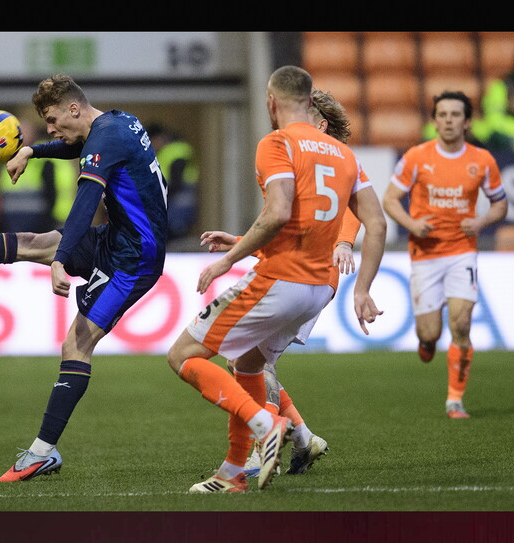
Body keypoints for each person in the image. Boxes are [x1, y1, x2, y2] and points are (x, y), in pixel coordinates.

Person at [0, 74, 168, 481]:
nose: (50, 127)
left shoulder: (106, 138)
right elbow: (74, 145)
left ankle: (43, 451)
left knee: (76, 344)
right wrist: (32, 150)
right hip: (119, 239)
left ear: (74, 108)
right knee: (30, 242)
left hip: (135, 260)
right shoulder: (117, 122)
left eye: (52, 118)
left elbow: (84, 205)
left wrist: (61, 260)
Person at [166, 66, 386, 493]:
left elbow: (279, 211)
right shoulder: (345, 155)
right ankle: (234, 474)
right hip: (318, 289)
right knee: (247, 361)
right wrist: (362, 290)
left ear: (271, 101)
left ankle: (265, 423)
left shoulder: (276, 142)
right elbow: (376, 224)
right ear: (309, 101)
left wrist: (228, 258)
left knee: (183, 355)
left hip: (281, 279)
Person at [381, 90, 508, 419]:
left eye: (455, 115)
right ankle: (426, 344)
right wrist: (411, 223)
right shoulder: (416, 157)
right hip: (424, 254)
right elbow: (390, 199)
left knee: (462, 323)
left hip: (462, 252)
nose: (449, 120)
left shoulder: (482, 161)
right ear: (434, 120)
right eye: (443, 114)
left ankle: (455, 400)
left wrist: (481, 221)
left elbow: (500, 203)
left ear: (467, 122)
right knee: (429, 334)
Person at [0, 120, 78, 233]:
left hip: (41, 225)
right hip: (12, 226)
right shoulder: (8, 160)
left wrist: (50, 224)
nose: (19, 137)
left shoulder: (44, 160)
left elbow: (52, 195)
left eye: (22, 133)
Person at [147, 123, 199, 244]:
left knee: (174, 235)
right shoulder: (166, 151)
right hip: (175, 198)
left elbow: (176, 182)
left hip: (178, 199)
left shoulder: (176, 150)